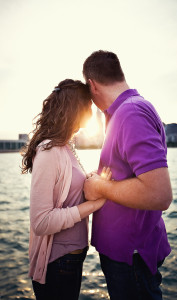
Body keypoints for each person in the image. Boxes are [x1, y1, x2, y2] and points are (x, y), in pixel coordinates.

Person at [83, 51, 173, 300]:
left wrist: (100, 188)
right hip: (126, 256)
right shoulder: (125, 111)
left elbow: (159, 194)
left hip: (131, 258)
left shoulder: (130, 114)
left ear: (92, 85)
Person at [21, 79, 111, 300]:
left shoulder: (65, 146)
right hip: (58, 263)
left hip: (71, 259)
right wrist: (92, 206)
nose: (91, 112)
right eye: (88, 106)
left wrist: (90, 179)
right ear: (75, 109)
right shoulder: (49, 151)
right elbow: (41, 222)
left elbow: (67, 188)